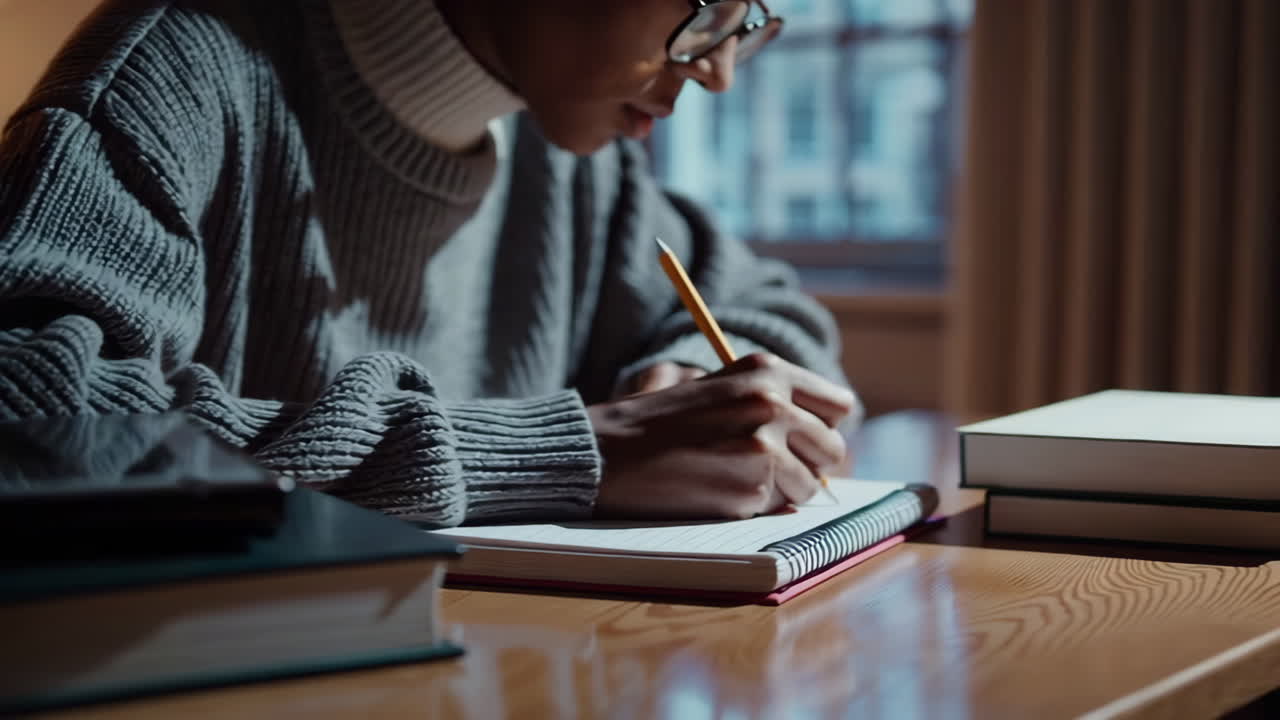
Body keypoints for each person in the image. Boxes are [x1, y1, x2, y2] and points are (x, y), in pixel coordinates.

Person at [0, 0, 861, 527]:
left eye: (749, 23)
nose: (717, 71)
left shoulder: (573, 143)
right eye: (706, 9)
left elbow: (767, 306)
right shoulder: (172, 75)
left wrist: (676, 378)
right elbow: (32, 421)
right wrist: (552, 456)